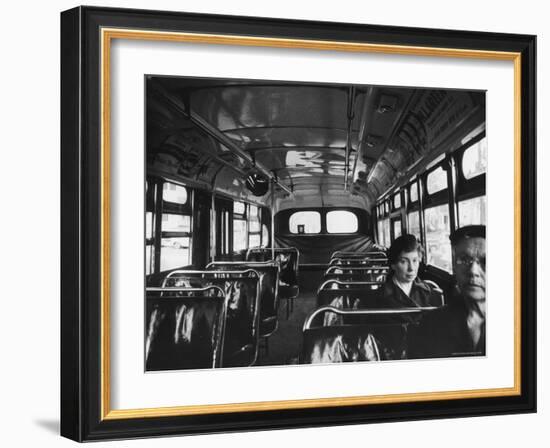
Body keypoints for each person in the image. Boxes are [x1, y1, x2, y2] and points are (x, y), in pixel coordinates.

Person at [409, 225, 486, 359]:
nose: (473, 271)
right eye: (464, 259)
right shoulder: (429, 326)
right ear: (454, 266)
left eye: (486, 262)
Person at [378, 234, 443, 309]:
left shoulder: (430, 292)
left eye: (415, 261)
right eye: (404, 262)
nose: (411, 268)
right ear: (393, 265)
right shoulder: (380, 297)